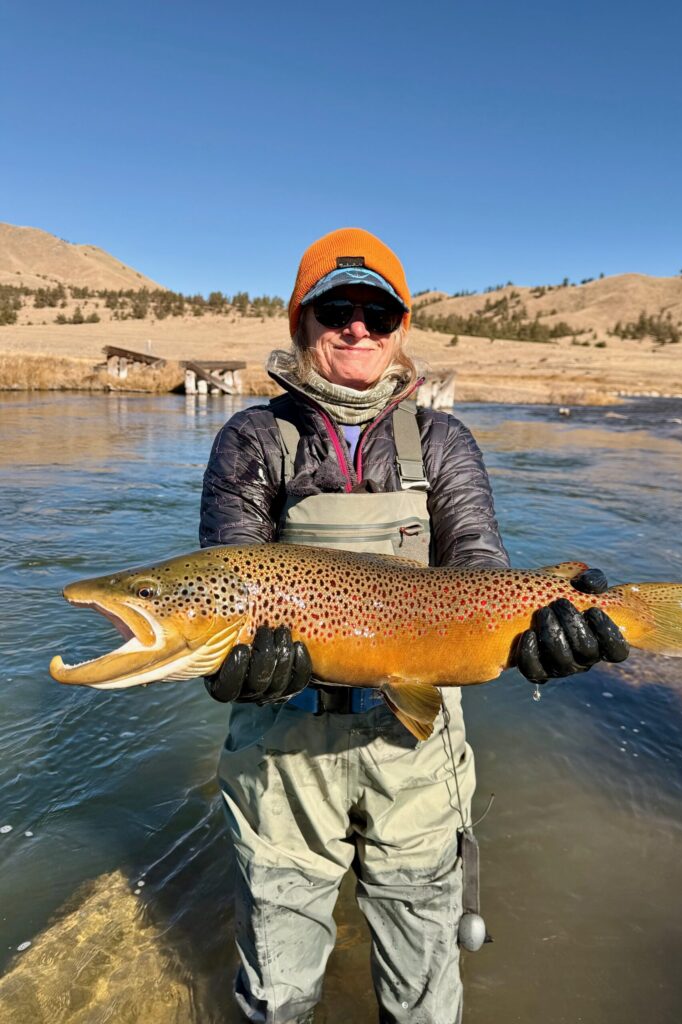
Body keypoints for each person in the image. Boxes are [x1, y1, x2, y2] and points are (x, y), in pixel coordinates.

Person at [199, 228, 628, 1024]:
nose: (358, 326)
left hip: (418, 753)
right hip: (283, 752)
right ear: (301, 322)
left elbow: (479, 568)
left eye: (378, 311)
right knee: (276, 992)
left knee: (427, 995)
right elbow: (229, 574)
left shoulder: (443, 442)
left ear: (401, 331)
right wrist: (225, 662)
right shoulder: (252, 440)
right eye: (336, 307)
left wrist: (541, 631)